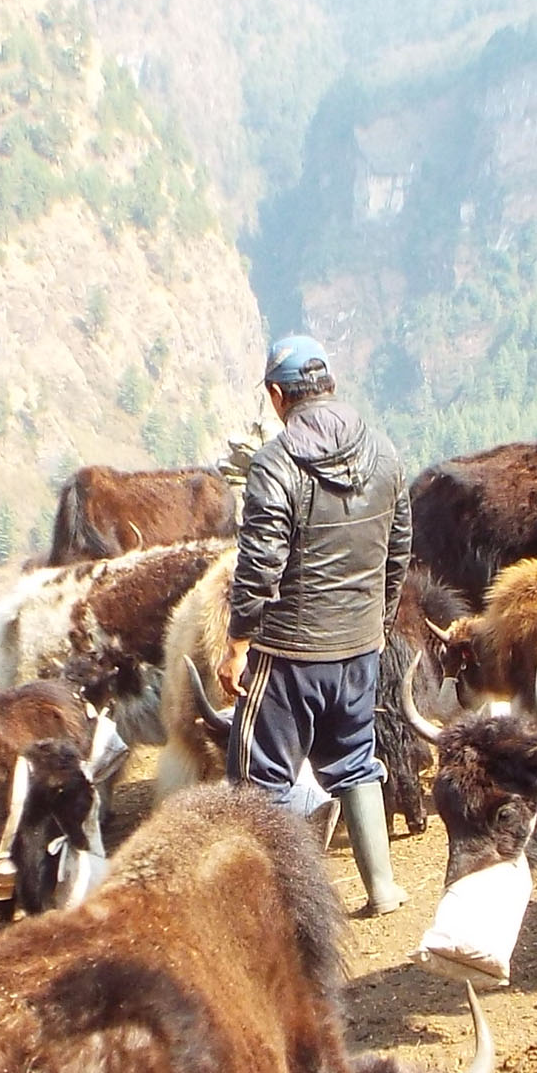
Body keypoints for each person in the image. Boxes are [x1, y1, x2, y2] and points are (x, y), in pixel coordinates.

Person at [222, 335, 413, 916]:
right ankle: (381, 887)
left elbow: (259, 564)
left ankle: (285, 908)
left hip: (287, 656)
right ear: (329, 383)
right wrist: (374, 620)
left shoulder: (275, 465)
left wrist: (237, 643)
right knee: (356, 758)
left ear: (278, 395)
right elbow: (399, 548)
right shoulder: (385, 452)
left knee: (260, 779)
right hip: (359, 649)